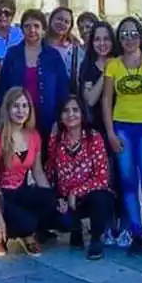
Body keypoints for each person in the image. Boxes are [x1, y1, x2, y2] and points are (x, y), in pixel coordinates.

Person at [103, 15, 142, 258]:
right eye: (124, 34)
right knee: (128, 185)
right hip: (123, 128)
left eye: (133, 33)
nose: (129, 38)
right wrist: (110, 132)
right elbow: (107, 100)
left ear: (141, 35)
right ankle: (137, 235)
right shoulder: (113, 65)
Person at [0, 88, 62, 256]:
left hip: (20, 190)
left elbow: (38, 172)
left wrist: (53, 198)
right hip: (0, 195)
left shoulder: (34, 136)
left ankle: (25, 230)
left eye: (25, 106)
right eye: (16, 106)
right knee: (27, 223)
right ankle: (1, 233)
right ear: (7, 108)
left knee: (50, 200)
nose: (21, 111)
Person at [46, 95, 114, 260]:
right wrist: (57, 197)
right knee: (58, 217)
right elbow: (49, 171)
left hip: (89, 196)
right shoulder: (57, 139)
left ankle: (96, 240)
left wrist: (76, 192)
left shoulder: (94, 138)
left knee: (102, 198)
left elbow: (102, 178)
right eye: (66, 111)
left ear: (83, 113)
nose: (71, 115)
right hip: (66, 199)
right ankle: (75, 230)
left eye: (75, 110)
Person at [0, 10, 69, 139]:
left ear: (43, 29)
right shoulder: (13, 54)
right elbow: (3, 87)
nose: (32, 30)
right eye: (27, 26)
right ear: (22, 29)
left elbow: (62, 90)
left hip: (48, 120)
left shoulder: (53, 56)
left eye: (36, 26)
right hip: (18, 118)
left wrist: (60, 120)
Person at [79, 21, 117, 133]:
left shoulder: (121, 61)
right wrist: (107, 70)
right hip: (96, 129)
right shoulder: (87, 65)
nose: (102, 43)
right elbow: (90, 100)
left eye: (106, 39)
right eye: (97, 39)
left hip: (121, 123)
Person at [47, 5, 83, 88]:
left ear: (70, 27)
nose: (62, 23)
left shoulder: (76, 50)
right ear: (51, 19)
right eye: (59, 19)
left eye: (66, 22)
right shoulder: (39, 46)